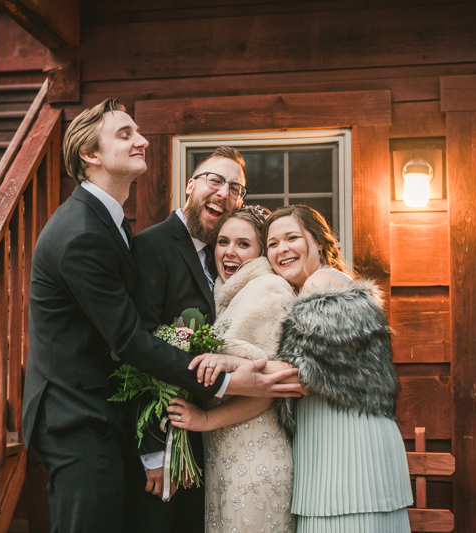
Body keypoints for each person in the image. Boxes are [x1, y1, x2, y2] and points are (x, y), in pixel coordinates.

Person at [21, 98, 303, 533]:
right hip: (85, 416)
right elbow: (133, 340)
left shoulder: (122, 228)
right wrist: (158, 447)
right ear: (189, 186)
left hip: (190, 435)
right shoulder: (95, 236)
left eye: (236, 189)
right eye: (126, 134)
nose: (143, 140)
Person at [265, 205, 413, 532]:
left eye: (292, 237)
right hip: (346, 448)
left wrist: (225, 368)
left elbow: (299, 376)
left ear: (318, 242)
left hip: (345, 454)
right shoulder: (331, 284)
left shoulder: (320, 283)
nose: (281, 249)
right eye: (272, 244)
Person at [126, 147, 249, 533]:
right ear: (190, 185)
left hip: (204, 437)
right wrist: (153, 453)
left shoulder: (219, 258)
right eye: (215, 180)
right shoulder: (151, 246)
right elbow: (137, 347)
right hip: (164, 442)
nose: (224, 193)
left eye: (235, 188)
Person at [167, 206, 296, 533]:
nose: (229, 252)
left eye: (243, 244)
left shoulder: (267, 290)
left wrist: (205, 419)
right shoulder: (228, 294)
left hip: (255, 457)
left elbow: (267, 388)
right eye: (223, 242)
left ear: (260, 252)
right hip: (226, 456)